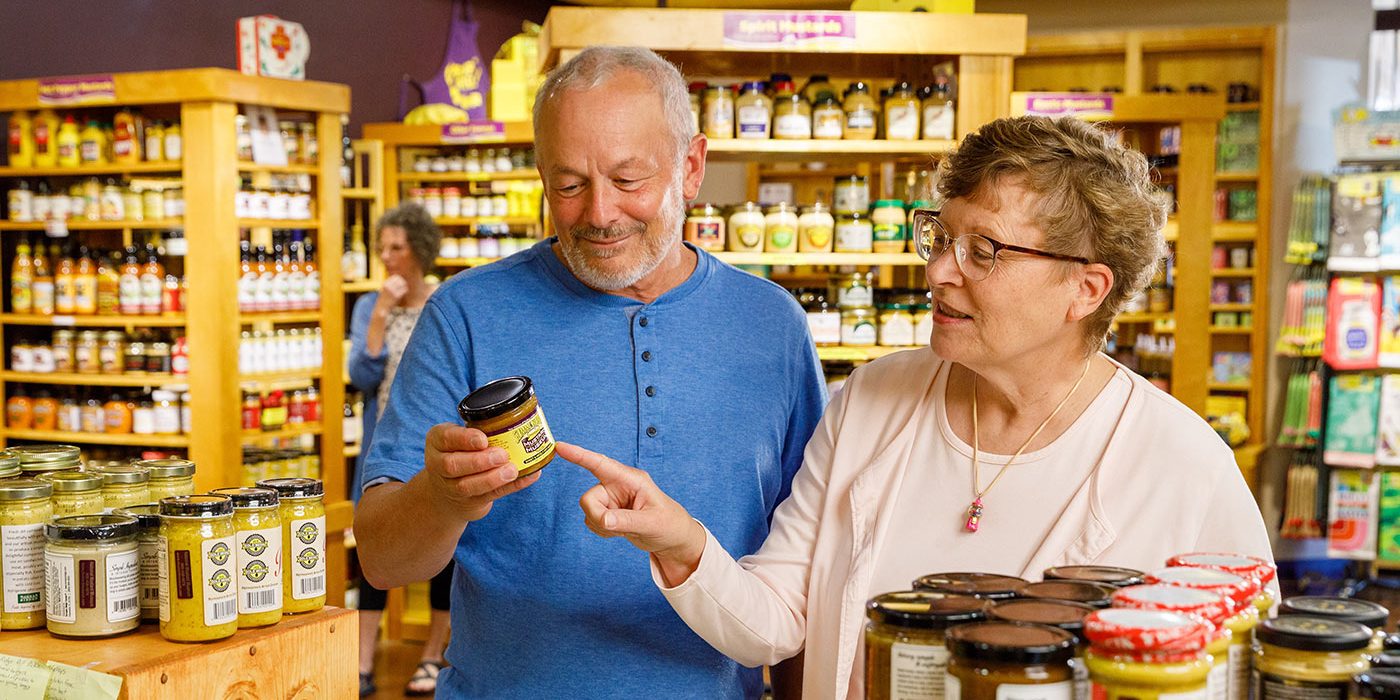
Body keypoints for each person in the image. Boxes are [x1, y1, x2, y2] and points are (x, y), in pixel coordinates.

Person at [565, 115, 1276, 699]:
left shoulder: (1184, 466)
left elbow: (1248, 675)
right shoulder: (873, 400)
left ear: (1086, 289)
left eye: (984, 250)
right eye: (941, 237)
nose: (937, 270)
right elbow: (778, 621)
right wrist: (680, 540)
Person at [353, 46, 828, 698]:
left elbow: (806, 574)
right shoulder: (465, 313)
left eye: (629, 180)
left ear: (692, 167)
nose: (600, 213)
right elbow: (380, 560)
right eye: (569, 185)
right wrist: (440, 500)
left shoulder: (772, 325)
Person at [346, 203, 452, 697]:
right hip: (382, 447)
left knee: (445, 554)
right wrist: (381, 314)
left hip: (435, 446)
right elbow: (362, 376)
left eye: (396, 247)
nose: (387, 257)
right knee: (373, 548)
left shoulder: (444, 302)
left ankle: (432, 656)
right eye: (381, 247)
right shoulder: (370, 305)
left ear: (419, 249)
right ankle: (363, 659)